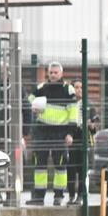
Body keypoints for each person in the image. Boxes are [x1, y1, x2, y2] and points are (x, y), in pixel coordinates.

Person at [27, 61, 78, 206]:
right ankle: (38, 197)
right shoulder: (41, 88)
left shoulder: (68, 90)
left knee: (60, 166)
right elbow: (29, 100)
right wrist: (33, 107)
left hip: (60, 133)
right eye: (51, 72)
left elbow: (73, 113)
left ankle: (58, 196)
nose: (53, 75)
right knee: (39, 166)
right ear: (48, 73)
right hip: (42, 132)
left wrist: (70, 133)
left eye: (56, 72)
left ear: (61, 74)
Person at [66, 79, 100, 205]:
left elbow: (95, 125)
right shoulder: (68, 104)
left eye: (81, 87)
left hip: (84, 138)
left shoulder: (89, 105)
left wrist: (92, 125)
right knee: (70, 168)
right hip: (71, 138)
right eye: (76, 87)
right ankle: (70, 195)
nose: (78, 90)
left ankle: (81, 195)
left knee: (82, 169)